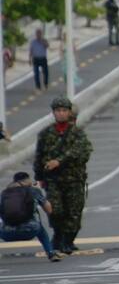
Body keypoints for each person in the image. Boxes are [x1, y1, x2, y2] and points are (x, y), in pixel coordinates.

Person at [34, 96, 93, 254]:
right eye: (58, 111)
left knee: (74, 212)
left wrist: (59, 161)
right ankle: (58, 236)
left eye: (64, 110)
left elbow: (83, 152)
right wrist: (38, 178)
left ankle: (68, 240)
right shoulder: (46, 134)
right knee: (56, 210)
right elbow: (39, 156)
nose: (61, 114)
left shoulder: (77, 133)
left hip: (74, 179)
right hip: (53, 180)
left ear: (69, 112)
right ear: (53, 113)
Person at [0, 172, 61, 261]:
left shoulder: (5, 193)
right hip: (30, 230)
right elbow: (49, 210)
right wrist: (38, 192)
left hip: (6, 233)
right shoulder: (33, 191)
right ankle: (51, 253)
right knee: (41, 230)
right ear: (27, 180)